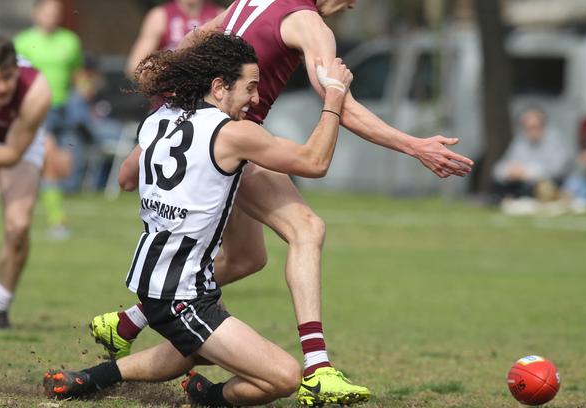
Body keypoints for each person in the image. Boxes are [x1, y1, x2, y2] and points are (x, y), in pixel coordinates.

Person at [90, 0, 474, 406]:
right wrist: (415, 146)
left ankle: (127, 322)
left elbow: (200, 35)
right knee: (307, 228)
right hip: (230, 140)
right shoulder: (310, 24)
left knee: (250, 258)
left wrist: (172, 96)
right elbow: (342, 105)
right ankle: (318, 367)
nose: (354, 3)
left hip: (184, 122)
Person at [43, 32, 356, 407]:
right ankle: (209, 398)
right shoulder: (234, 134)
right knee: (284, 377)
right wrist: (334, 95)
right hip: (181, 296)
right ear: (220, 87)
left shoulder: (161, 117)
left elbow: (126, 179)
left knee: (197, 345)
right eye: (250, 88)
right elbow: (314, 162)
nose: (256, 99)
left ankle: (91, 377)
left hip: (163, 279)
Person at [0, 36, 51, 328]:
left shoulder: (36, 91)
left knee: (18, 227)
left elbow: (11, 154)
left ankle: (0, 308)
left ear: (16, 69)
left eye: (6, 78)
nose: (0, 87)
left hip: (16, 143)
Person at [14, 0, 86, 237]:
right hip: (35, 110)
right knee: (50, 162)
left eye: (56, 11)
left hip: (63, 110)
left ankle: (40, 210)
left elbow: (78, 74)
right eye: (47, 11)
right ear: (36, 13)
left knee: (63, 165)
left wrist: (85, 90)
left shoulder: (70, 41)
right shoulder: (22, 42)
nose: (51, 16)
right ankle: (58, 221)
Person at [492, 106, 572, 207]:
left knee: (542, 185)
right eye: (527, 128)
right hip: (520, 183)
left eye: (535, 127)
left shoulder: (555, 141)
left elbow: (557, 169)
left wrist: (528, 172)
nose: (531, 132)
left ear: (543, 126)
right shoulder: (519, 141)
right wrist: (508, 171)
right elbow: (499, 168)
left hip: (544, 184)